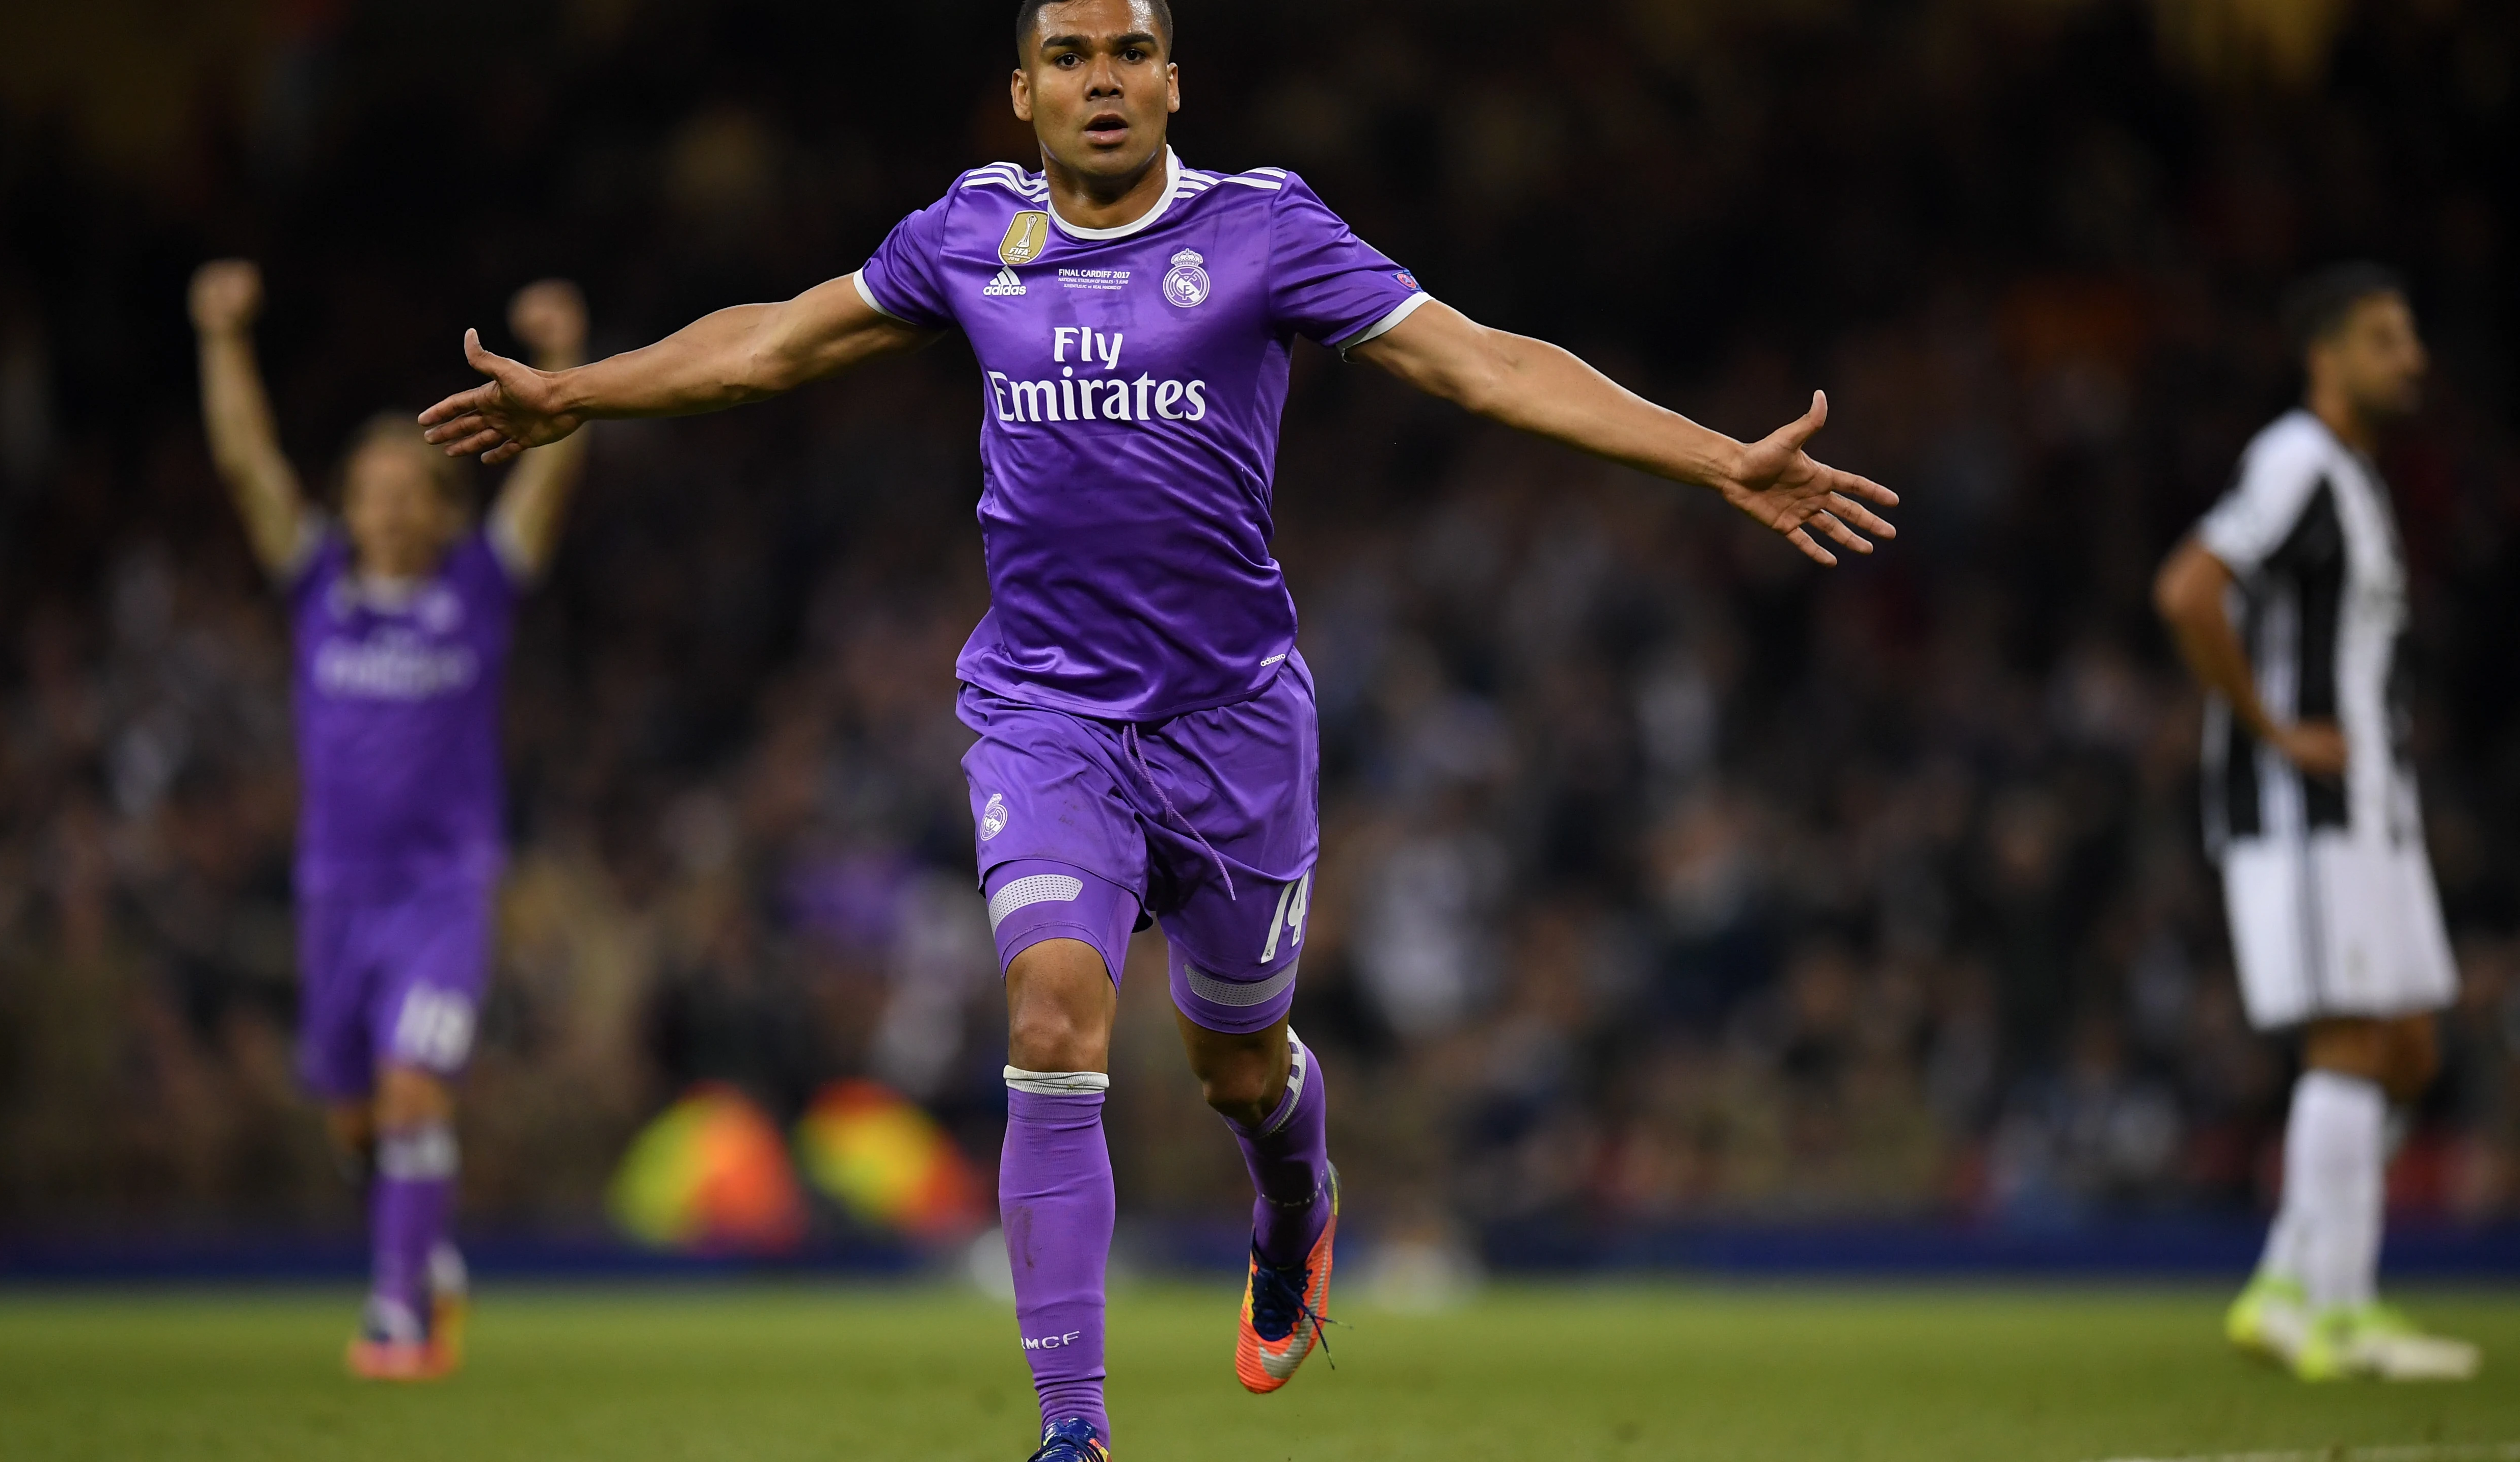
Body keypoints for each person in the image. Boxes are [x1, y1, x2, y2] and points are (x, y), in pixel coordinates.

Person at [419, 1, 1894, 1453]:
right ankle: (1075, 1433)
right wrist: (577, 397)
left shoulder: (1265, 232)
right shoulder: (967, 233)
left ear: (1175, 81)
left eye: (1129, 53)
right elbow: (771, 346)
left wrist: (1714, 460)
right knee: (1054, 1011)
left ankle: (1294, 1203)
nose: (1101, 81)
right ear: (1022, 91)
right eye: (1069, 57)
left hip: (1233, 725)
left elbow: (1479, 360)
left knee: (1235, 1068)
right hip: (1044, 714)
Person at [191, 260, 591, 1380]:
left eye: (409, 486)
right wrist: (221, 337)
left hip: (445, 892)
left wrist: (562, 362)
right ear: (348, 504)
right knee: (359, 1125)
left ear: (438, 502)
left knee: (417, 1090)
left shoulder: (479, 588)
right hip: (335, 895)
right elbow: (244, 464)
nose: (389, 504)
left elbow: (549, 487)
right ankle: (423, 1255)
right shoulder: (317, 586)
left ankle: (398, 1314)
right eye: (370, 488)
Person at [2153, 263, 2478, 1383]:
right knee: (2348, 1039)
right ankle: (2328, 1309)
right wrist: (2271, 729)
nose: (2413, 361)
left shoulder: (2352, 479)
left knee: (2409, 1044)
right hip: (2309, 804)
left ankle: (2306, 1282)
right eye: (2387, 340)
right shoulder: (2295, 459)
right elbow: (2190, 588)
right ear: (2326, 356)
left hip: (2375, 806)